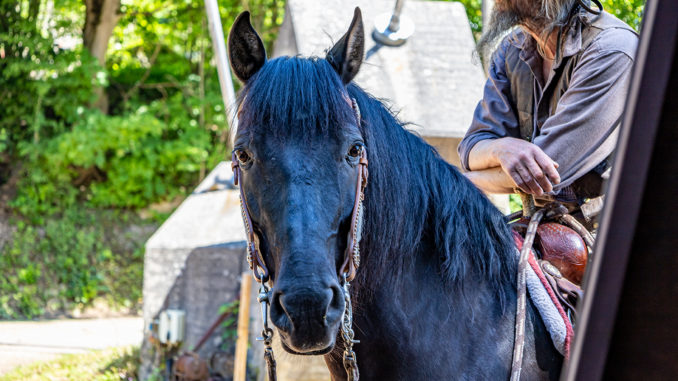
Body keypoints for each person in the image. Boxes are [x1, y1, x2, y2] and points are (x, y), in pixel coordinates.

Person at [458, 0, 638, 211]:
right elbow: (472, 149)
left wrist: (460, 183)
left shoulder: (611, 50)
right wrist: (500, 148)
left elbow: (546, 171)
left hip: (610, 236)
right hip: (540, 230)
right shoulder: (511, 49)